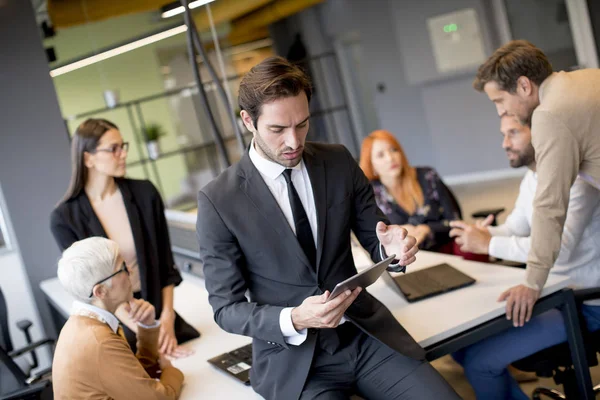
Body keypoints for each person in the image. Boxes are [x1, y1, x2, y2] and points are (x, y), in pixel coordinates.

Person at [196, 56, 459, 400]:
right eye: (278, 130)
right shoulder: (219, 199)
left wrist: (393, 250)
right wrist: (295, 318)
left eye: (302, 124)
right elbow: (226, 309)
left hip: (365, 337)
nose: (293, 142)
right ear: (248, 121)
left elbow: (376, 237)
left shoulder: (337, 161)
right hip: (296, 363)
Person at [448, 115, 600, 399]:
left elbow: (557, 247)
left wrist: (489, 244)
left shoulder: (578, 179)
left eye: (513, 133)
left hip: (585, 304)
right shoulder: (533, 177)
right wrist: (483, 233)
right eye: (503, 135)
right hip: (552, 294)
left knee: (479, 363)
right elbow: (515, 228)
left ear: (542, 131)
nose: (505, 143)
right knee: (462, 349)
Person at [473, 40, 600, 327]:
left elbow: (549, 206)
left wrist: (532, 282)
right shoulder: (586, 78)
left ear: (524, 86)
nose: (500, 111)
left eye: (499, 101)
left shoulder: (550, 114)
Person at [50, 118, 198, 356]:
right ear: (88, 158)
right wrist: (145, 333)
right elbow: (91, 289)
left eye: (123, 146)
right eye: (113, 149)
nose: (123, 154)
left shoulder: (144, 193)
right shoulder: (65, 218)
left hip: (158, 310)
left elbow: (165, 264)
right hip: (116, 322)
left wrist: (166, 319)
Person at [52, 237, 184, 399]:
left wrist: (147, 327)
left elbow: (134, 377)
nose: (131, 270)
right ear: (100, 292)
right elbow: (158, 398)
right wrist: (171, 370)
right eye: (122, 268)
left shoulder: (86, 323)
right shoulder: (99, 341)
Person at [359, 130, 460, 251]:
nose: (390, 158)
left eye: (393, 150)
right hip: (407, 258)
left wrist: (427, 229)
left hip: (444, 249)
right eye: (381, 155)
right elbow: (372, 241)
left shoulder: (428, 176)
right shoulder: (371, 194)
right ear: (371, 165)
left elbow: (455, 221)